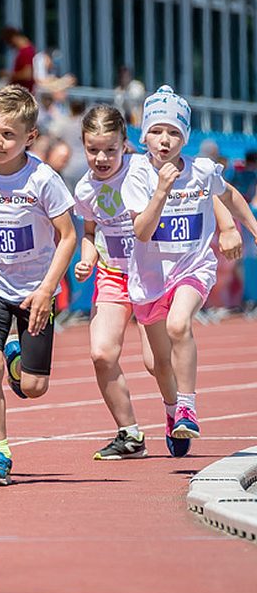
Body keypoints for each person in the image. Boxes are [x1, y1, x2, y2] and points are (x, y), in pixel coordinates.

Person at [0, 85, 77, 486]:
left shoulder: (43, 180)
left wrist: (46, 291)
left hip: (36, 289)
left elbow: (68, 236)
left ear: (30, 138)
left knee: (34, 387)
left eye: (8, 135)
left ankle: (17, 356)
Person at [121, 86, 257, 456]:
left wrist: (251, 228)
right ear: (143, 134)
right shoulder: (136, 175)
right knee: (156, 363)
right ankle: (171, 412)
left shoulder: (201, 170)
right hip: (150, 278)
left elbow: (229, 194)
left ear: (186, 137)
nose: (164, 140)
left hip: (193, 268)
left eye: (174, 133)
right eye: (156, 131)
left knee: (179, 325)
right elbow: (142, 231)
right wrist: (162, 190)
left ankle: (187, 407)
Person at [72, 105, 162, 460]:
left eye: (110, 149)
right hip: (113, 275)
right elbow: (90, 233)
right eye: (93, 149)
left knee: (157, 362)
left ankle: (177, 413)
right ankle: (129, 434)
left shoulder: (143, 170)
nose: (102, 157)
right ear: (83, 146)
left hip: (153, 274)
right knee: (101, 353)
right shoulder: (84, 188)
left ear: (125, 144)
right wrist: (86, 259)